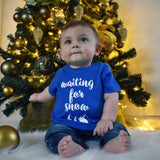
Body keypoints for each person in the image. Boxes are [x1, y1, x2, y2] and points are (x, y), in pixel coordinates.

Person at [29, 20, 131, 158]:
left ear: (97, 49)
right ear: (60, 53)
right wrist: (37, 97)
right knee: (54, 133)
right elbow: (50, 91)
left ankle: (113, 142)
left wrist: (107, 119)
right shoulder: (61, 74)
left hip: (98, 124)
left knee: (116, 128)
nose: (75, 45)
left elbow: (111, 96)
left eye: (83, 39)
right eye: (68, 42)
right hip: (66, 125)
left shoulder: (102, 70)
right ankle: (71, 145)